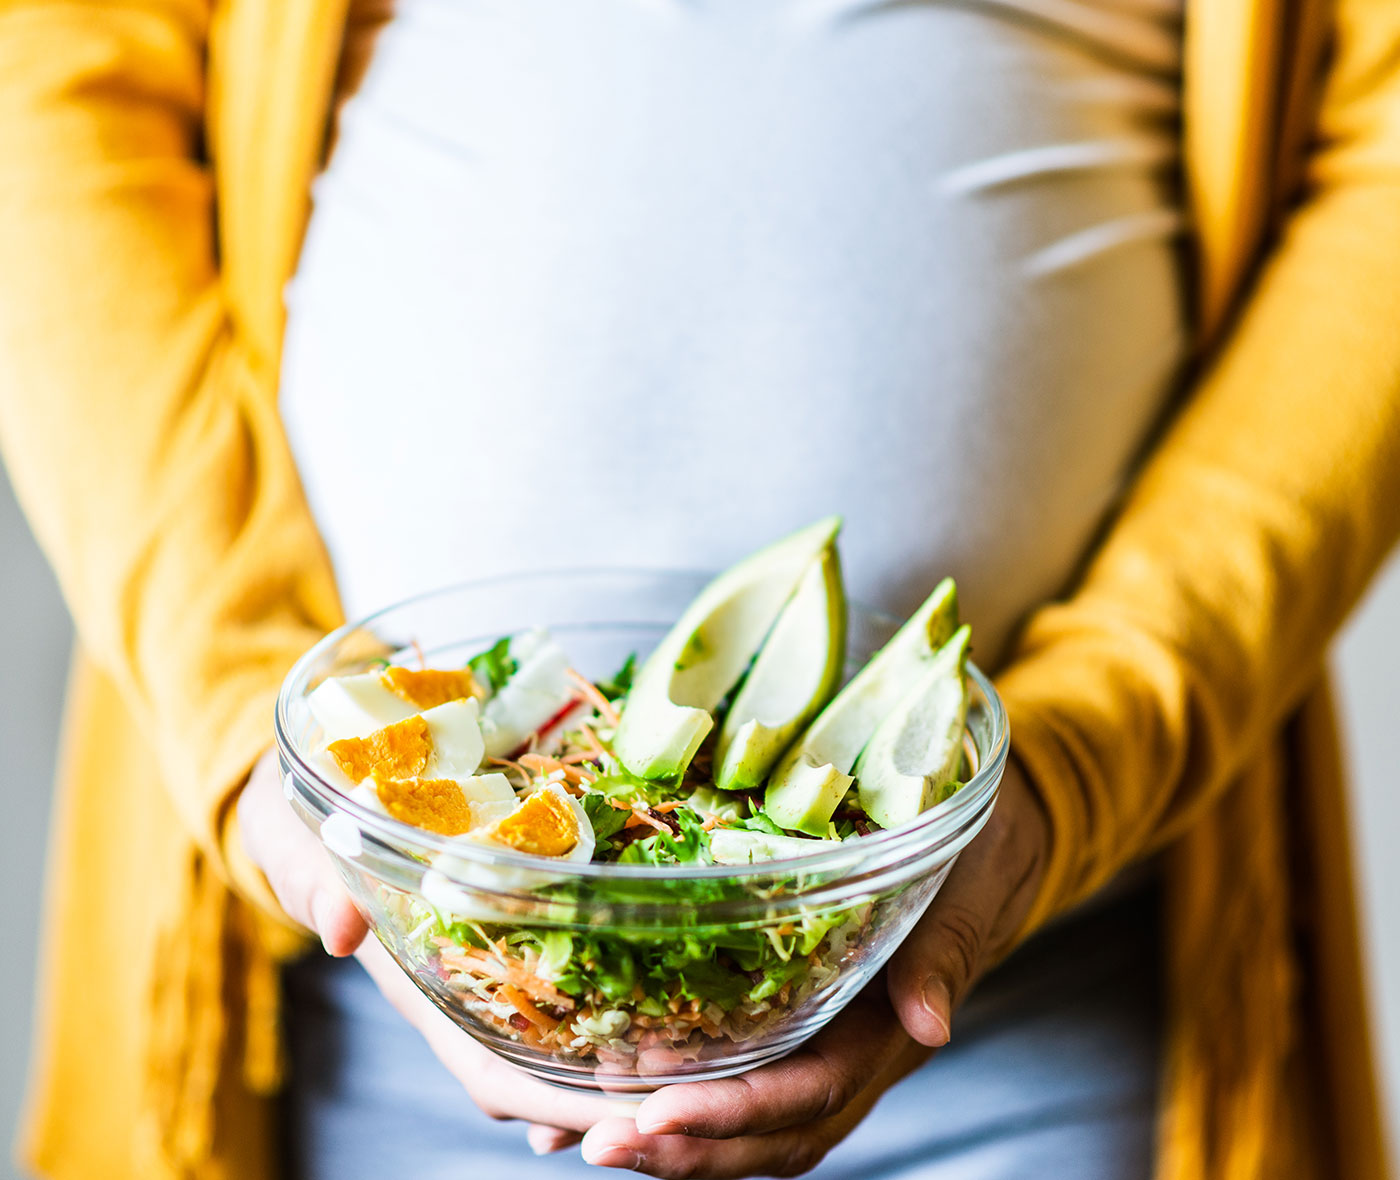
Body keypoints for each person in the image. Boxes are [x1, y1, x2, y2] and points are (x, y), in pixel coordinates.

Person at [0, 2, 1396, 1180]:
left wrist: (1088, 753)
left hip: (1050, 1022)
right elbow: (53, 78)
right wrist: (246, 708)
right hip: (348, 1005)